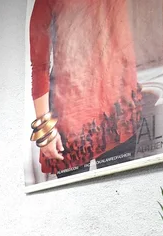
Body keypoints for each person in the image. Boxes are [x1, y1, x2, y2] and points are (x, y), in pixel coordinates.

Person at [29, 0, 142, 178]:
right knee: (82, 192)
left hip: (117, 111)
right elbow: (40, 65)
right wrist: (46, 131)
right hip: (75, 123)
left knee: (120, 189)